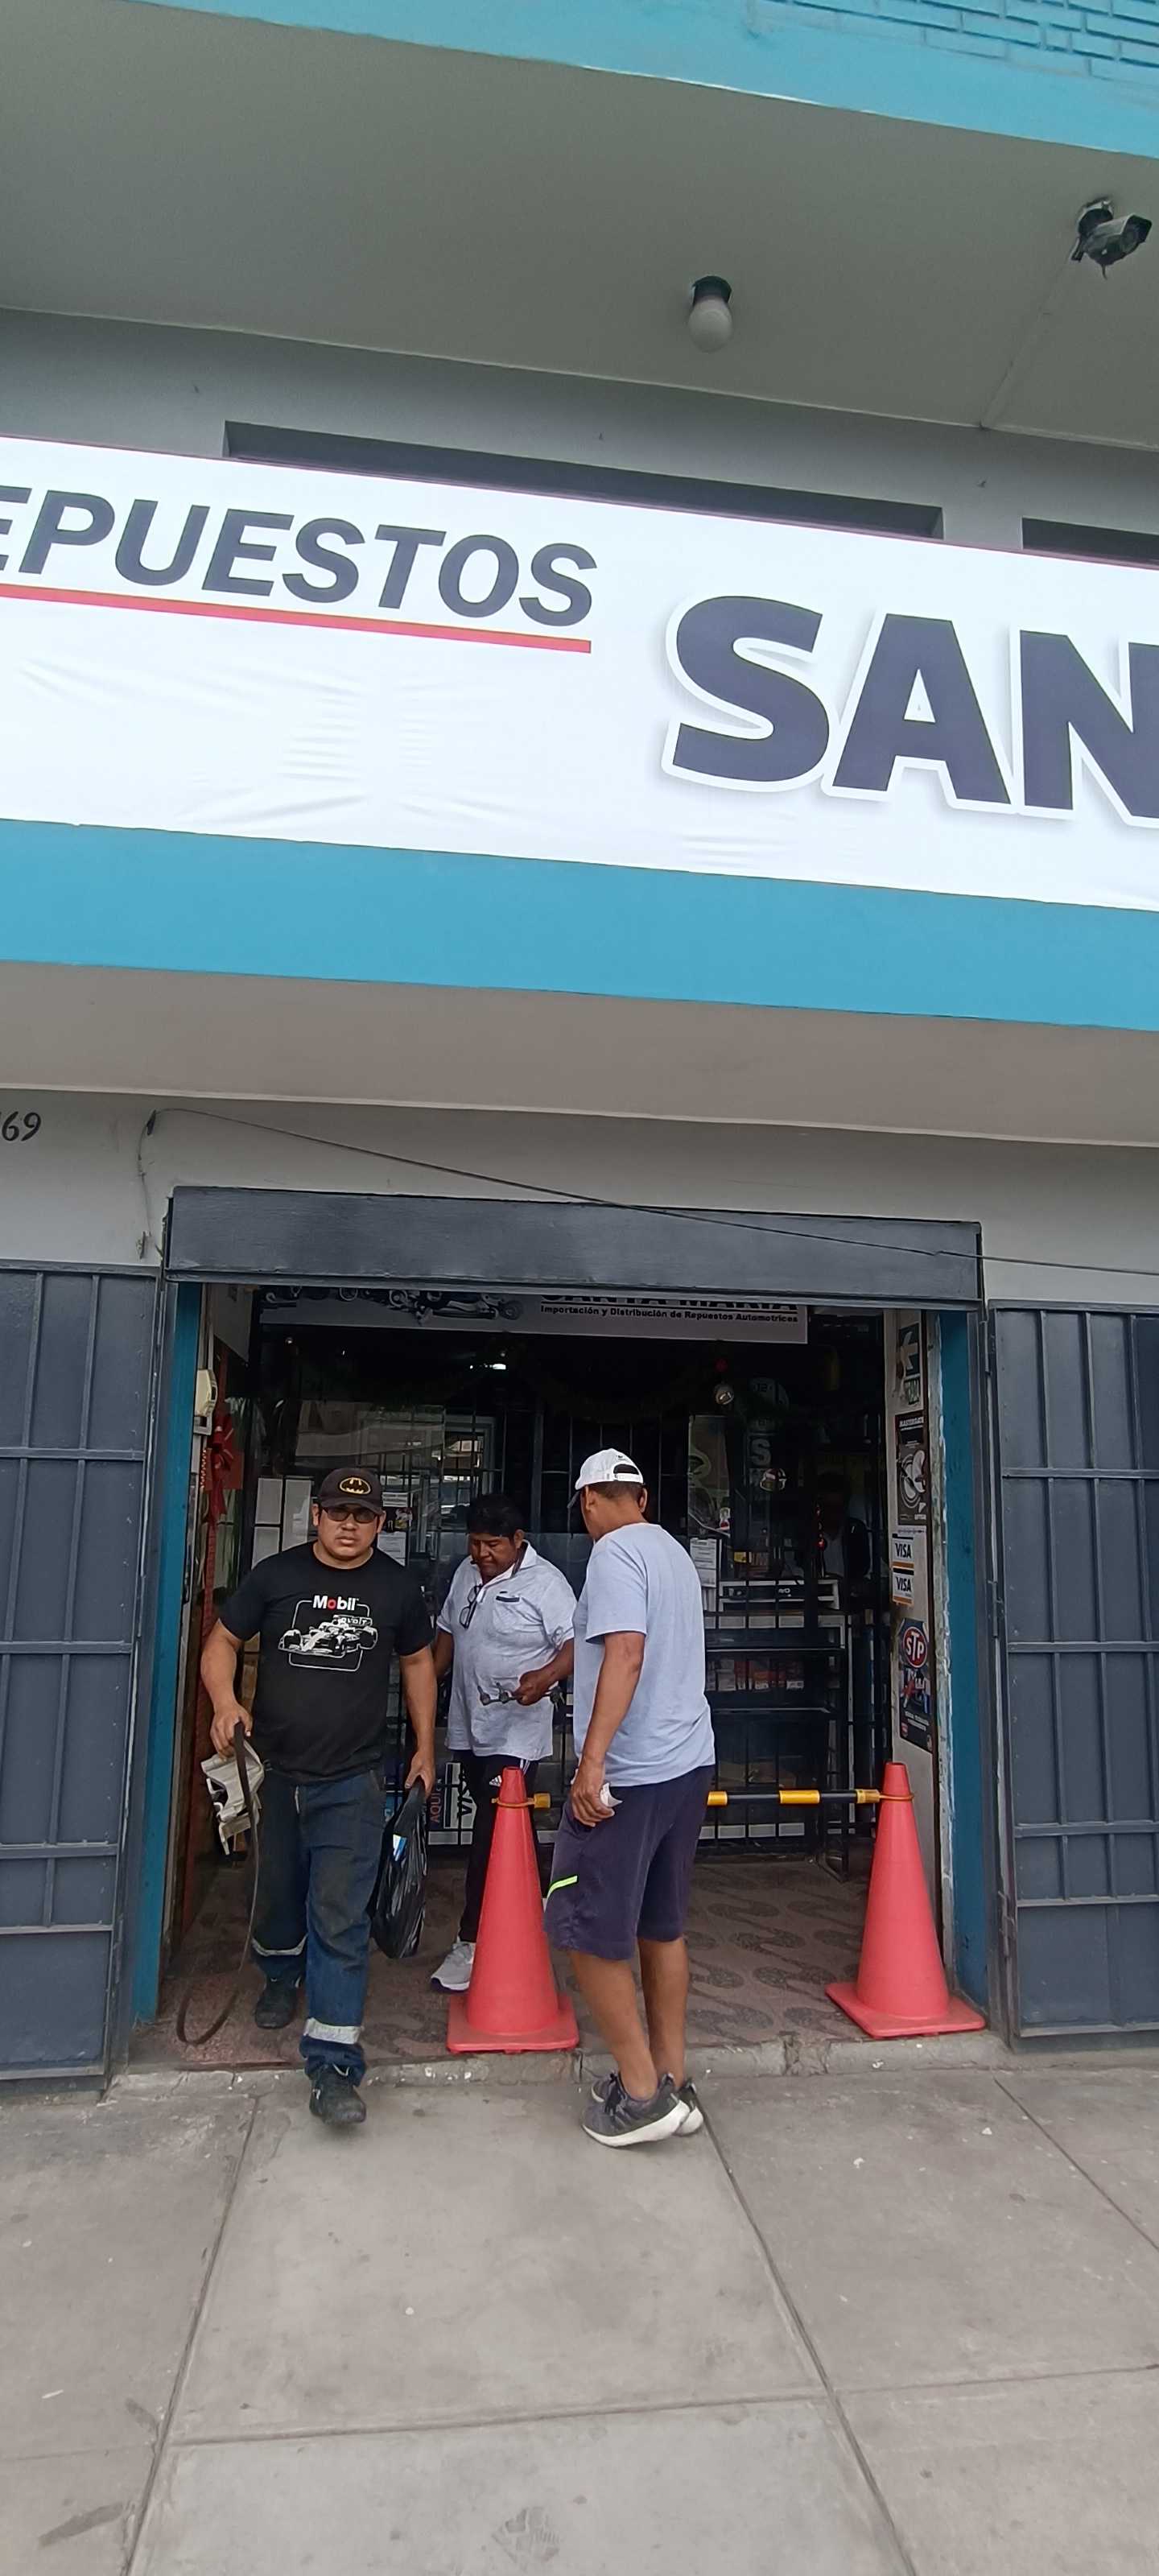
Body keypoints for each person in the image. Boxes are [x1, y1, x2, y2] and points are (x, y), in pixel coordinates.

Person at [200, 1467, 436, 2130]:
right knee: (278, 1895)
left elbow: (419, 1663)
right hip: (275, 1773)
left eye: (362, 1516)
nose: (348, 1526)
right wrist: (224, 1702)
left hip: (352, 1780)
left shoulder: (397, 1589)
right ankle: (281, 1973)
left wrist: (426, 1746)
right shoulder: (275, 1576)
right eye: (337, 1513)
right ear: (316, 1516)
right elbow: (222, 1641)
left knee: (339, 1915)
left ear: (381, 1523)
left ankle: (333, 2064)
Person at [544, 1449, 716, 2149]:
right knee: (661, 1925)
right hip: (687, 1763)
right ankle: (673, 2079)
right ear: (640, 1496)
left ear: (588, 1502)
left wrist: (591, 1765)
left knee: (582, 1925)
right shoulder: (672, 1552)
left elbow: (625, 1652)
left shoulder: (613, 1555)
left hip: (632, 1774)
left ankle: (642, 2094)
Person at [431, 1492, 576, 1992]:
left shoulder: (547, 1583)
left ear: (518, 1540)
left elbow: (576, 1643)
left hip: (517, 1730)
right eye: (474, 1543)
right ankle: (538, 1899)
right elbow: (448, 1633)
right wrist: (424, 1685)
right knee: (505, 1826)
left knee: (492, 1829)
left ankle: (471, 1942)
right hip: (470, 1723)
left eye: (492, 1545)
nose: (482, 1554)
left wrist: (545, 1677)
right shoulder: (465, 1574)